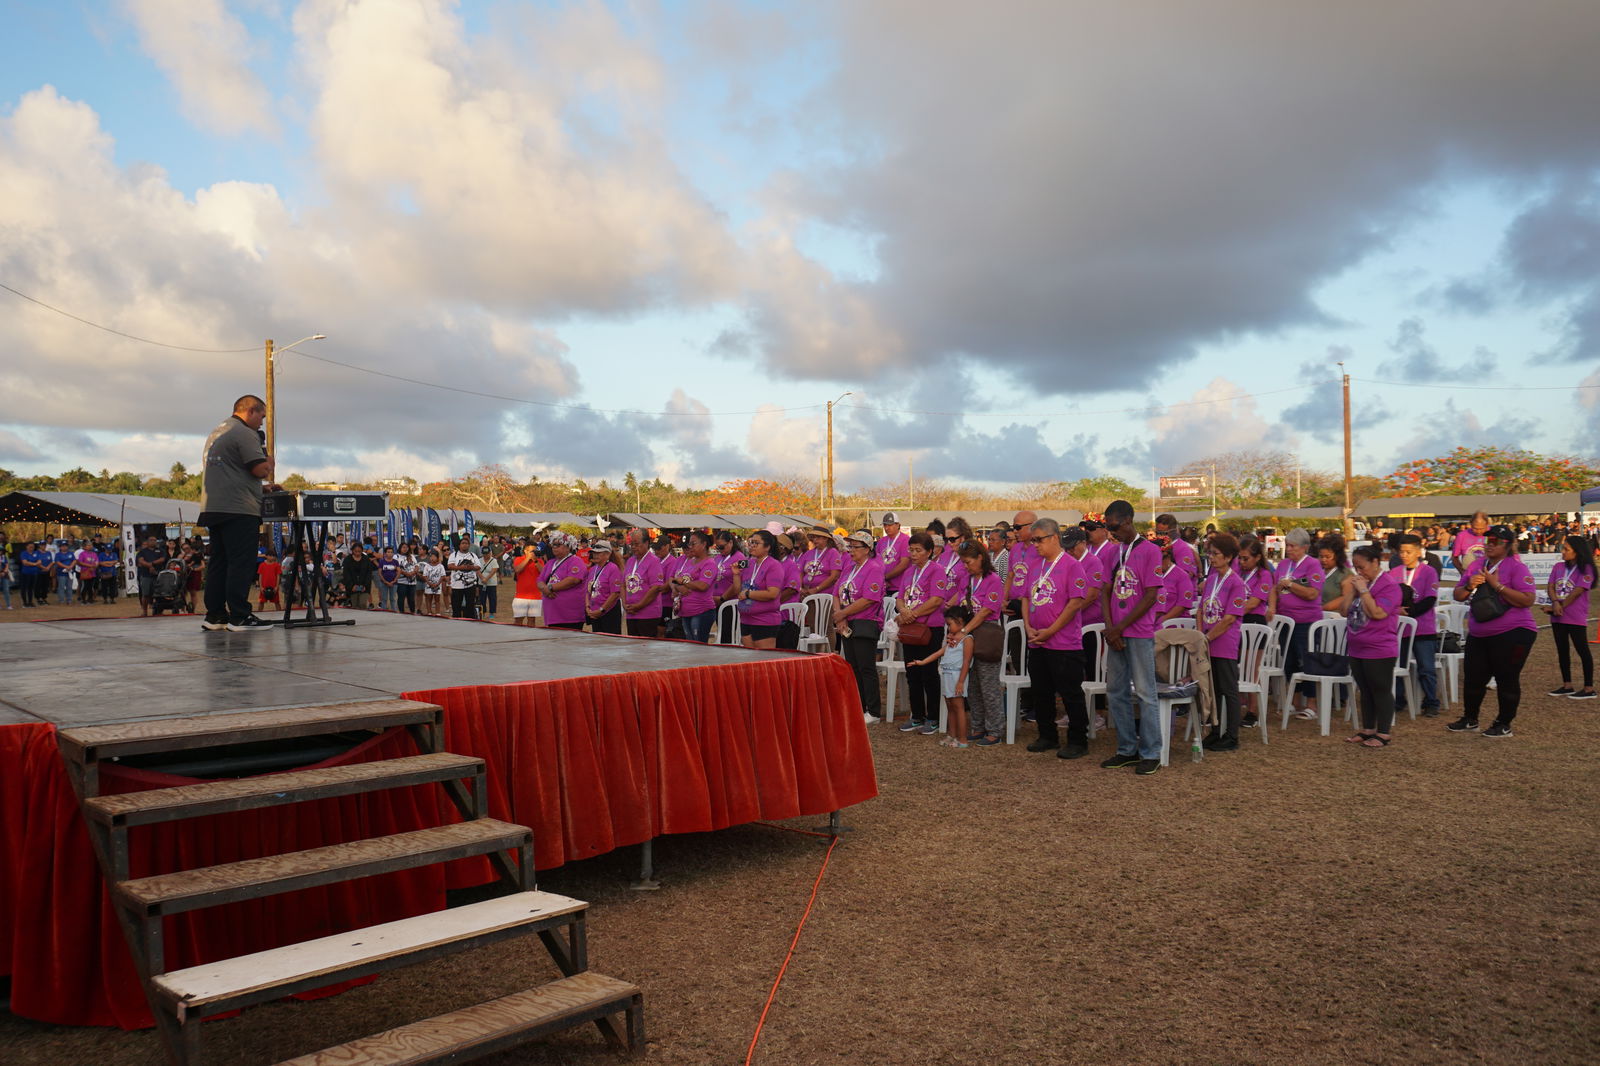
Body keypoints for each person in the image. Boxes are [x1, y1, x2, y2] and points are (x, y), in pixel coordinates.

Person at [1450, 524, 1538, 738]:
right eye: (1487, 541)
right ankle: (1470, 718)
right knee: (1473, 677)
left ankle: (1504, 723)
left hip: (1514, 631)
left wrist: (1496, 585)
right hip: (1480, 633)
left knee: (1506, 678)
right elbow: (1458, 594)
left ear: (1506, 545)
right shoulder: (1476, 565)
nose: (1489, 545)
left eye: (1495, 542)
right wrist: (1470, 585)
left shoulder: (1516, 567)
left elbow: (1528, 600)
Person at [198, 395, 277, 631]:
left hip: (214, 507)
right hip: (239, 509)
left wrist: (260, 489)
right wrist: (270, 461)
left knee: (219, 562)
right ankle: (240, 616)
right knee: (240, 563)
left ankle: (216, 616)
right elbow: (259, 469)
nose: (261, 423)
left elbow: (231, 473)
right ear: (251, 411)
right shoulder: (245, 433)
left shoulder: (218, 431)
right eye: (261, 417)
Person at [1100, 499, 1164, 776]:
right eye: (1107, 527)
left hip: (1138, 632)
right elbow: (1104, 591)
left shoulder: (1150, 551)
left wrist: (1120, 626)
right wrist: (1110, 627)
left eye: (1113, 525)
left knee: (1146, 693)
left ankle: (1151, 753)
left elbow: (1151, 596)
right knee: (1116, 692)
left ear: (1127, 520)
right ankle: (1126, 749)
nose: (1111, 531)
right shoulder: (1113, 552)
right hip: (1116, 633)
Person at [1021, 517, 1091, 758]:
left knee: (1070, 692)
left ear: (1053, 538)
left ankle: (1078, 740)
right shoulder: (1035, 566)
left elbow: (1075, 603)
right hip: (1037, 640)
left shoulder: (1072, 565)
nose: (1035, 545)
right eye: (1032, 541)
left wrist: (1051, 630)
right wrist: (1029, 627)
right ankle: (1047, 735)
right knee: (1041, 691)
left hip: (1063, 642)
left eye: (1038, 540)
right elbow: (1026, 598)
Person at [1345, 544, 1404, 747]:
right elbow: (1345, 610)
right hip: (1356, 644)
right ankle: (1367, 728)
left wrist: (1363, 591)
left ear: (1376, 563)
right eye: (1355, 567)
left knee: (1380, 688)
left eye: (1362, 567)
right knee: (1365, 689)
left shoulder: (1389, 585)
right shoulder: (1362, 584)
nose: (1359, 572)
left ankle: (1384, 732)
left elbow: (1377, 613)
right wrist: (1351, 591)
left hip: (1379, 646)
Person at [893, 531, 952, 735]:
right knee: (912, 673)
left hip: (929, 628)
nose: (913, 554)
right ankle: (916, 715)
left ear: (929, 552)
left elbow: (936, 600)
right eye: (911, 550)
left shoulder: (937, 570)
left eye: (918, 550)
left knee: (928, 673)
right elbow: (900, 598)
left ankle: (933, 717)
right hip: (910, 628)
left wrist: (912, 614)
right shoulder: (909, 572)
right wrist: (904, 611)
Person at [1199, 532, 1249, 752]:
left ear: (1228, 557)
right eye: (1209, 553)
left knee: (1228, 690)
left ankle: (1232, 735)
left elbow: (1229, 618)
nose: (1211, 557)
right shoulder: (1211, 579)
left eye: (1216, 553)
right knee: (1215, 689)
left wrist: (1208, 637)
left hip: (1224, 642)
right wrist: (1201, 636)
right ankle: (1217, 731)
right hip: (1208, 640)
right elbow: (1201, 609)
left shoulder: (1236, 583)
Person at [954, 538, 1006, 745]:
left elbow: (985, 611)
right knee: (973, 684)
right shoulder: (967, 579)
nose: (966, 566)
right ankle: (978, 725)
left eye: (969, 562)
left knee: (988, 685)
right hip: (969, 637)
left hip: (985, 636)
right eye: (963, 563)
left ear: (980, 558)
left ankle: (994, 729)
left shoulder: (992, 579)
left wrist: (965, 630)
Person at [1270, 528, 1325, 722]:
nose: (1289, 550)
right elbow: (1275, 588)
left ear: (1304, 547)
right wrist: (1273, 606)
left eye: (1293, 546)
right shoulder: (1284, 564)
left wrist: (1291, 585)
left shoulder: (1313, 565)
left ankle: (1311, 703)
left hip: (1306, 621)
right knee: (1289, 661)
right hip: (1286, 620)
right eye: (1287, 546)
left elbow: (1312, 593)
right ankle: (1294, 700)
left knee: (1307, 661)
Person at [832, 531, 886, 724]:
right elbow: (836, 593)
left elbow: (869, 599)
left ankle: (873, 710)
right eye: (850, 546)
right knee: (853, 666)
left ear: (867, 549)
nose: (851, 550)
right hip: (847, 621)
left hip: (865, 621)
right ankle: (859, 706)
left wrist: (843, 614)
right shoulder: (850, 568)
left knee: (866, 667)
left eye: (855, 547)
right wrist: (840, 617)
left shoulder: (874, 568)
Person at [909, 605, 975, 749]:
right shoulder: (952, 640)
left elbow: (966, 662)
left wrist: (961, 682)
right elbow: (939, 653)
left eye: (950, 624)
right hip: (946, 673)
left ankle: (962, 739)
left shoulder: (967, 639)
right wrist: (922, 662)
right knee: (950, 706)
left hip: (957, 675)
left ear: (960, 621)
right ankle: (952, 735)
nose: (948, 628)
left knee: (959, 707)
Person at [1393, 535, 1441, 717]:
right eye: (1401, 551)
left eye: (1408, 552)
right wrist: (1397, 610)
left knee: (1426, 667)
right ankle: (1398, 699)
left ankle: (1430, 702)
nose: (1404, 555)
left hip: (1423, 628)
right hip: (1400, 630)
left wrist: (1410, 613)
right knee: (1398, 665)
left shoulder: (1428, 572)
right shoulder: (1394, 572)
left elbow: (1430, 598)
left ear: (1418, 551)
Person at [1546, 534, 1596, 699]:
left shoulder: (1587, 568)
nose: (1563, 552)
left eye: (1566, 549)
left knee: (1582, 650)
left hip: (1575, 615)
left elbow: (1578, 591)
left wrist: (1561, 605)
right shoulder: (1558, 566)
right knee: (1562, 651)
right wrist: (1555, 603)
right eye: (1563, 548)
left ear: (1577, 551)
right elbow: (1551, 586)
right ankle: (1567, 685)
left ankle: (1589, 688)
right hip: (1557, 614)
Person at [736, 530, 784, 650]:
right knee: (751, 660)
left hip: (764, 620)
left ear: (767, 547)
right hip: (746, 618)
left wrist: (748, 594)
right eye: (751, 542)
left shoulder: (774, 565)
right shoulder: (748, 563)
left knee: (764, 660)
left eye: (756, 543)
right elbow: (738, 590)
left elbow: (772, 593)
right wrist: (736, 575)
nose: (752, 546)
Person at [672, 531, 721, 642]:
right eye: (690, 544)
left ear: (703, 544)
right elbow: (676, 580)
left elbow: (703, 585)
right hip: (686, 610)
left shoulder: (709, 564)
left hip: (701, 610)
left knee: (698, 644)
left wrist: (683, 583)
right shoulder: (690, 562)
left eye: (693, 544)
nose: (690, 547)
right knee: (690, 643)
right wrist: (679, 587)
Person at [540, 532, 588, 630]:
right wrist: (544, 589)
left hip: (570, 616)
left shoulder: (575, 561)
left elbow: (573, 580)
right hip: (553, 615)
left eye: (558, 545)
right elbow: (540, 580)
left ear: (567, 547)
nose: (554, 547)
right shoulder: (550, 562)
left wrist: (550, 588)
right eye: (553, 544)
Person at [622, 530, 666, 637]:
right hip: (631, 613)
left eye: (636, 544)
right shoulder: (630, 561)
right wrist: (624, 604)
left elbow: (655, 587)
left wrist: (639, 605)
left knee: (645, 648)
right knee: (633, 646)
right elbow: (623, 585)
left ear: (646, 543)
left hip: (647, 614)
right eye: (631, 544)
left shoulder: (653, 561)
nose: (633, 547)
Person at [1153, 536, 1196, 626]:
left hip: (1174, 624)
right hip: (1153, 621)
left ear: (1168, 557)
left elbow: (1182, 606)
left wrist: (1161, 621)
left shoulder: (1182, 576)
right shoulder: (1153, 574)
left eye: (1158, 560)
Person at [584, 540, 622, 634]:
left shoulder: (613, 568)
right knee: (597, 641)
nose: (595, 555)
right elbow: (588, 591)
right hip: (594, 612)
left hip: (609, 611)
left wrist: (602, 609)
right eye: (594, 553)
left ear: (607, 554)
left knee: (610, 641)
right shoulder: (592, 569)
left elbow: (615, 593)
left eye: (599, 552)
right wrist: (588, 607)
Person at [875, 512, 911, 604]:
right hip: (883, 587)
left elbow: (904, 564)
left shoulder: (905, 540)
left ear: (898, 525)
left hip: (899, 587)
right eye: (885, 525)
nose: (887, 528)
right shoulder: (882, 541)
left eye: (890, 525)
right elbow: (876, 562)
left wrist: (884, 578)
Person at [799, 527, 843, 599]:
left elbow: (835, 576)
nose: (815, 540)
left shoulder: (832, 552)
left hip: (824, 595)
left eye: (818, 537)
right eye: (814, 537)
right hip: (807, 593)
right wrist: (800, 588)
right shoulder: (808, 553)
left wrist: (817, 589)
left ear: (825, 538)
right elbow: (800, 572)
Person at [1155, 513, 1198, 582]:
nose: (1158, 536)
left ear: (1172, 531)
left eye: (1161, 533)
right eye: (1157, 532)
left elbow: (1187, 575)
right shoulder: (1160, 545)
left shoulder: (1182, 548)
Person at [445, 538, 480, 619]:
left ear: (469, 545)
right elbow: (450, 566)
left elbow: (478, 567)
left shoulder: (473, 555)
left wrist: (471, 567)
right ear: (459, 545)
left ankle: (470, 620)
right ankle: (456, 620)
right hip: (457, 585)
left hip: (470, 585)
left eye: (466, 543)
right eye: (463, 543)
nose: (465, 545)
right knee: (456, 605)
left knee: (470, 605)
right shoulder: (454, 555)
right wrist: (461, 567)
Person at [510, 542, 543, 626]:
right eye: (532, 551)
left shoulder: (539, 561)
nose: (534, 553)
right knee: (518, 620)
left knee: (532, 621)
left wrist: (535, 560)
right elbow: (517, 570)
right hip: (521, 596)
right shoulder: (519, 559)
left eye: (535, 551)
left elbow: (543, 573)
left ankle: (530, 637)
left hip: (535, 596)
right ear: (525, 551)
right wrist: (528, 558)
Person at [1317, 534, 1351, 614]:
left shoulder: (1345, 575)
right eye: (1321, 556)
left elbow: (1345, 598)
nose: (1323, 560)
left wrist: (1321, 608)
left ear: (1338, 556)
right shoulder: (1318, 571)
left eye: (1328, 557)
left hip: (1333, 618)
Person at [341, 543, 377, 609]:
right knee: (354, 605)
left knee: (362, 604)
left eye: (359, 551)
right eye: (355, 551)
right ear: (352, 551)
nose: (357, 553)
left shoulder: (366, 559)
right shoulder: (347, 559)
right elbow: (346, 574)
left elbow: (369, 574)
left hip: (364, 587)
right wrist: (352, 585)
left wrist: (365, 585)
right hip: (352, 587)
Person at [419, 549, 446, 616]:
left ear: (437, 557)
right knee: (428, 598)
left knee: (437, 599)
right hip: (429, 585)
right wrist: (429, 583)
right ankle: (429, 612)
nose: (432, 558)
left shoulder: (440, 566)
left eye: (434, 557)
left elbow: (443, 576)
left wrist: (437, 584)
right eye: (431, 557)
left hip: (437, 585)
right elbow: (425, 576)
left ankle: (437, 612)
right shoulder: (427, 566)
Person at [396, 545, 419, 614]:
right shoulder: (396, 556)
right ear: (400, 548)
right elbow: (397, 567)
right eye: (403, 547)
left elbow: (417, 565)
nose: (405, 549)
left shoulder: (411, 556)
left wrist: (413, 572)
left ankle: (412, 612)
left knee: (411, 599)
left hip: (412, 581)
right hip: (401, 581)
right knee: (401, 598)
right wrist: (406, 573)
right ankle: (401, 611)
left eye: (406, 547)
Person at [375, 546, 399, 612]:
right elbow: (380, 572)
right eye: (388, 552)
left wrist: (394, 581)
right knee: (384, 598)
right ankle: (384, 611)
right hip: (383, 583)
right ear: (385, 553)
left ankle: (394, 611)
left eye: (391, 552)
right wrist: (385, 581)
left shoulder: (395, 562)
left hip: (393, 583)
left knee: (393, 599)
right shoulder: (382, 561)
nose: (390, 553)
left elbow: (398, 571)